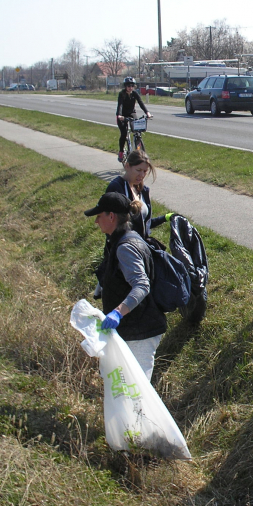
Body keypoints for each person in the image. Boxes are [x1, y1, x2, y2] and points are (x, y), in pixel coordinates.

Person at [85, 192, 167, 381]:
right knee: (124, 388)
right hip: (133, 329)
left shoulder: (125, 247)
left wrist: (117, 312)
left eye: (99, 216)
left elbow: (141, 285)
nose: (96, 221)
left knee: (137, 391)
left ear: (111, 216)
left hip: (141, 332)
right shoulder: (124, 239)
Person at [106, 149, 165, 240]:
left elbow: (143, 224)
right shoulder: (116, 188)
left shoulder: (142, 191)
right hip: (124, 249)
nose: (142, 175)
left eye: (145, 171)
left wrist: (166, 217)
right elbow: (109, 224)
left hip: (140, 246)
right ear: (127, 166)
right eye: (138, 170)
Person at [116, 76, 152, 162]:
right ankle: (121, 152)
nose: (130, 88)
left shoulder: (134, 93)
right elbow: (120, 105)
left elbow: (140, 103)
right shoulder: (122, 94)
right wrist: (119, 115)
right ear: (125, 86)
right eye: (128, 86)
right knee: (124, 133)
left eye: (132, 86)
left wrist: (147, 112)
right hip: (122, 115)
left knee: (137, 129)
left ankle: (138, 145)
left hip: (132, 113)